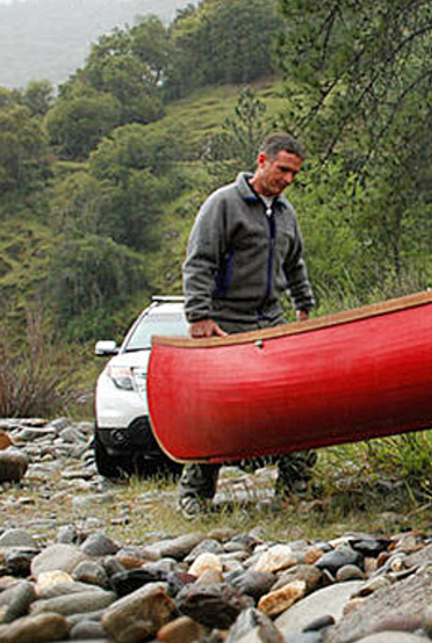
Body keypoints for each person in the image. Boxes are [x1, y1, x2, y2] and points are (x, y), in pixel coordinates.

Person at [177, 132, 318, 517]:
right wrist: (199, 316)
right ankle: (195, 493)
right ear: (262, 161)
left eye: (294, 174)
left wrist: (304, 306)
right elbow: (200, 261)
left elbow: (295, 265)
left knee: (296, 403)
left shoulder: (287, 214)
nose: (288, 179)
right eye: (282, 170)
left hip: (271, 321)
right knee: (216, 410)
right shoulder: (223, 204)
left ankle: (294, 489)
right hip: (225, 322)